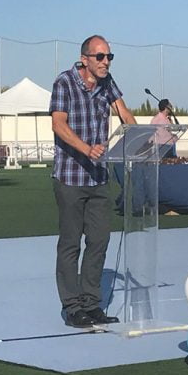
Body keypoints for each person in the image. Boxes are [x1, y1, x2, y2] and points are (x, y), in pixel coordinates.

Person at [50, 34, 137, 328]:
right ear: (85, 58)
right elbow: (58, 124)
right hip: (70, 176)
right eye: (100, 57)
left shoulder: (107, 83)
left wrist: (141, 137)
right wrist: (87, 149)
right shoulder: (64, 82)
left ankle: (91, 303)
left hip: (99, 176)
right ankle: (72, 307)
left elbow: (124, 113)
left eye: (109, 57)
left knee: (99, 240)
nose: (105, 62)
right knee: (71, 243)